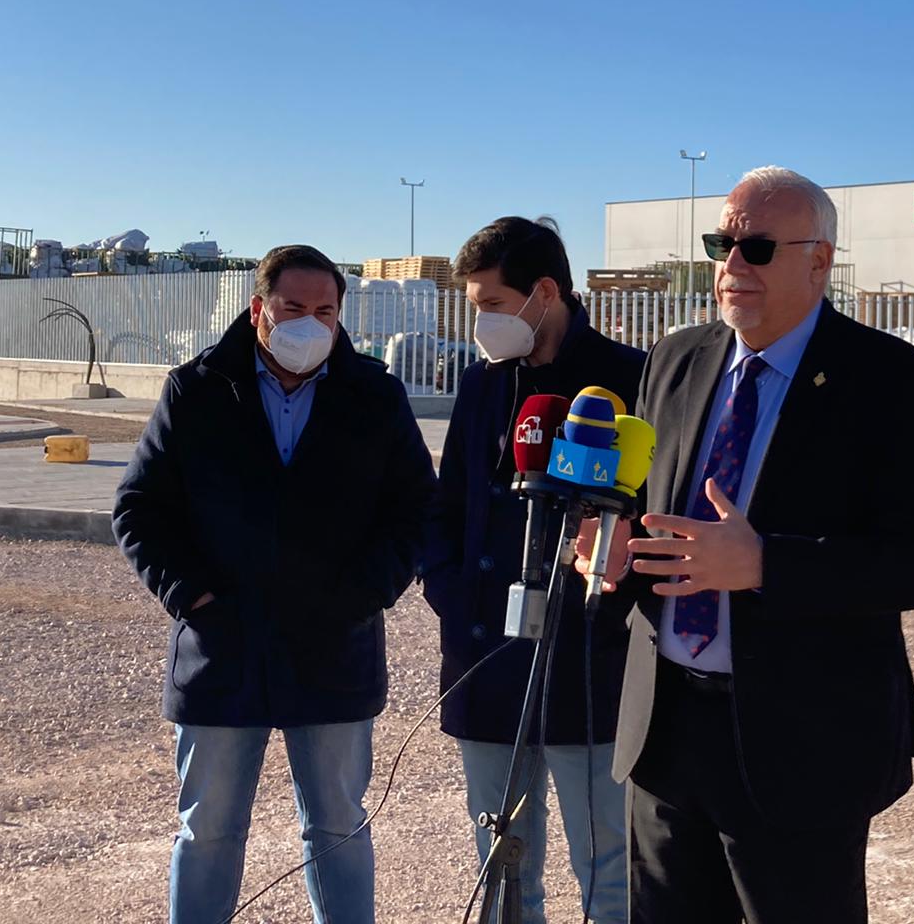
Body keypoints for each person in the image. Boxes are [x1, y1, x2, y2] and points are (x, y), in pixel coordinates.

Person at [579, 166, 914, 924]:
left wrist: (763, 564)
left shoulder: (891, 380)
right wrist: (612, 552)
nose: (731, 265)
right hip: (668, 730)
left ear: (819, 260)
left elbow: (913, 564)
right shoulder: (676, 360)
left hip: (800, 742)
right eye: (722, 243)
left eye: (755, 247)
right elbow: (648, 509)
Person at [112, 244, 437, 924]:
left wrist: (363, 595)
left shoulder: (374, 396)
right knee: (209, 832)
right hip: (222, 650)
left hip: (333, 649)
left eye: (325, 311)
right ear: (259, 309)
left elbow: (415, 511)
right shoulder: (196, 390)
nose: (309, 324)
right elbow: (139, 507)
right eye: (294, 308)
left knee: (337, 827)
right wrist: (190, 594)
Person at [420, 216, 643, 924]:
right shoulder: (484, 384)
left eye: (490, 302)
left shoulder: (633, 378)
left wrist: (610, 594)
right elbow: (448, 500)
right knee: (502, 860)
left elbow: (654, 515)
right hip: (487, 651)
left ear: (544, 292)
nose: (480, 320)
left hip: (590, 662)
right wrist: (450, 591)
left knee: (611, 863)